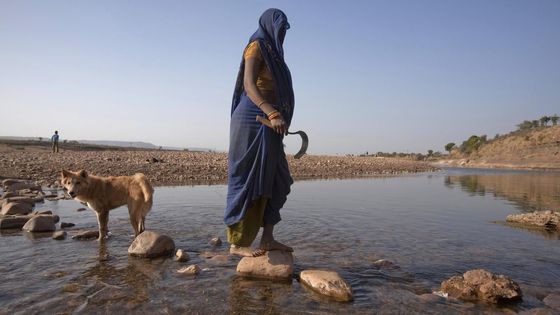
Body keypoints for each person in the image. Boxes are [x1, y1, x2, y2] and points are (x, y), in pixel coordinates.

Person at [225, 8, 295, 257]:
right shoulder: (256, 46)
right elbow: (248, 84)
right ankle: (237, 244)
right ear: (269, 26)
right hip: (253, 118)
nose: (283, 33)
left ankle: (267, 239)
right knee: (247, 179)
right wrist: (271, 112)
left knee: (279, 180)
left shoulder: (276, 55)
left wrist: (277, 115)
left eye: (286, 29)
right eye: (280, 28)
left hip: (272, 120)